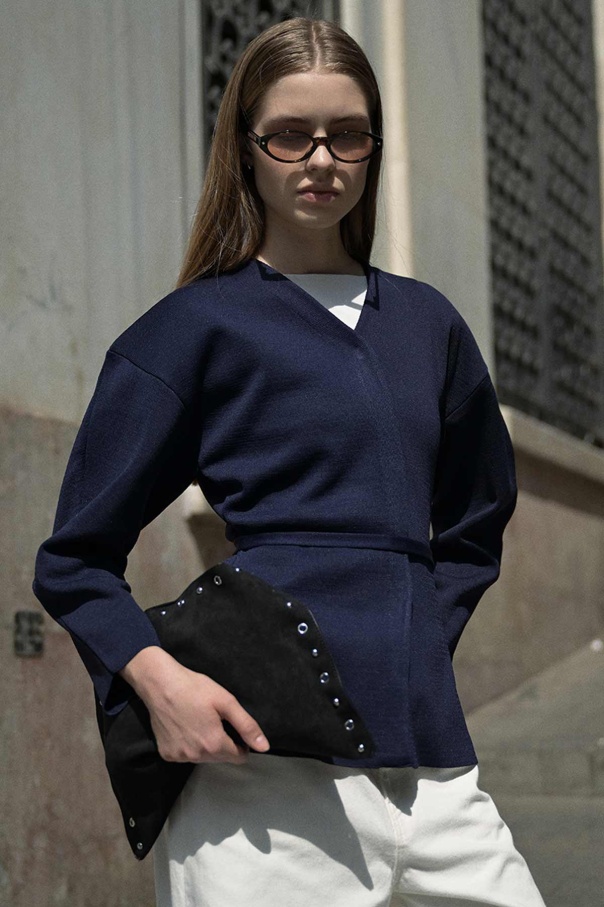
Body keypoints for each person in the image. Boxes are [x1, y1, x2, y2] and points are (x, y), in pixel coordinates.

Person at [32, 16, 547, 907]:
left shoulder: (429, 325)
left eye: (347, 134)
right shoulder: (192, 329)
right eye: (289, 135)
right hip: (258, 788)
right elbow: (74, 560)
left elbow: (475, 523)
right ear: (246, 145)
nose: (321, 159)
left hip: (432, 774)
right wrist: (161, 684)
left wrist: (413, 639)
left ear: (372, 146)